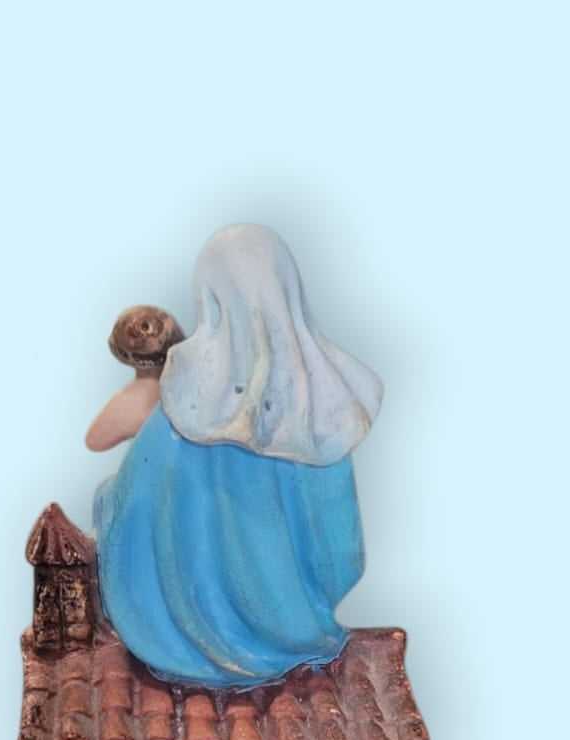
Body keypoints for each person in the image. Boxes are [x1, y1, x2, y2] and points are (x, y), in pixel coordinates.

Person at [87, 224, 382, 689]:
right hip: (298, 632)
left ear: (210, 300)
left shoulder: (180, 413)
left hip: (175, 642)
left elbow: (131, 521)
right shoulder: (325, 413)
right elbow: (341, 554)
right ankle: (283, 634)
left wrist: (108, 502)